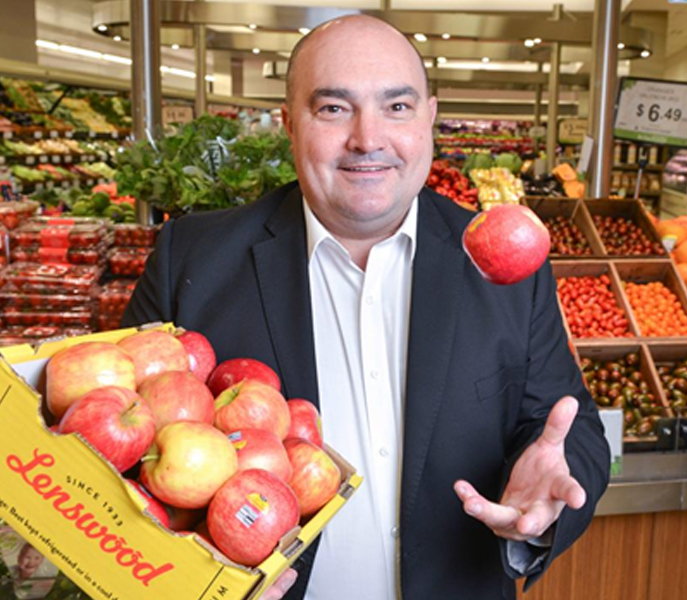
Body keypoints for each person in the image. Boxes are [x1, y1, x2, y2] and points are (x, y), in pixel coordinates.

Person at [122, 15, 610, 600]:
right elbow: (125, 457)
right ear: (289, 123)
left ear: (429, 116)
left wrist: (548, 495)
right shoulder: (193, 261)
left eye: (397, 107)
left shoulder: (502, 267)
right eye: (333, 109)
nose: (368, 138)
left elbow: (565, 423)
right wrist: (185, 577)